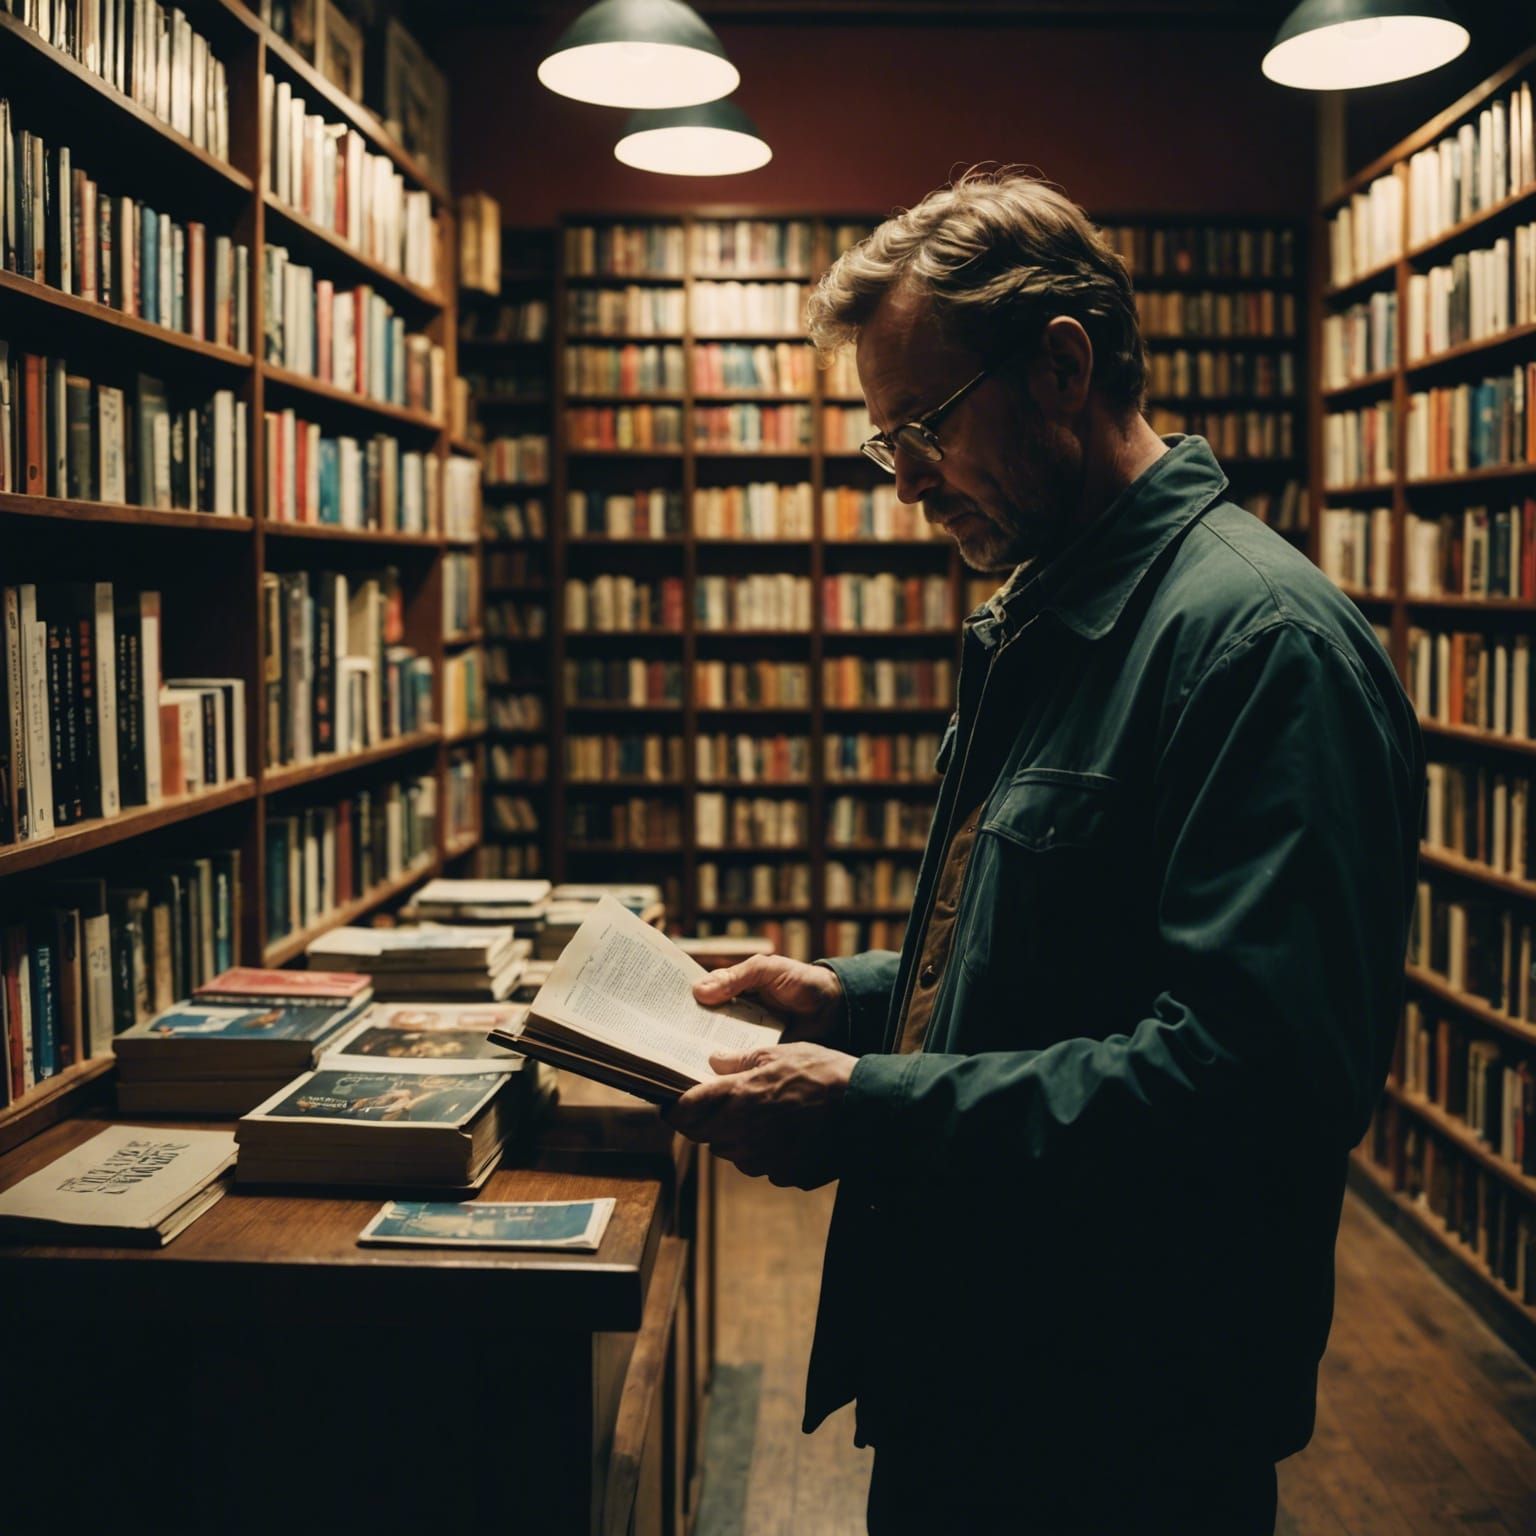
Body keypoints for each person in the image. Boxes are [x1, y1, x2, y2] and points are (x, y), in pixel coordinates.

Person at [667, 170, 1423, 1535]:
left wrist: (875, 1103)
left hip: (1117, 1413)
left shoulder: (1258, 645)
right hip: (989, 1355)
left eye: (924, 428)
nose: (901, 483)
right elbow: (1073, 945)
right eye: (879, 441)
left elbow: (1248, 1085)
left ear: (1062, 367)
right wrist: (856, 994)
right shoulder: (1062, 612)